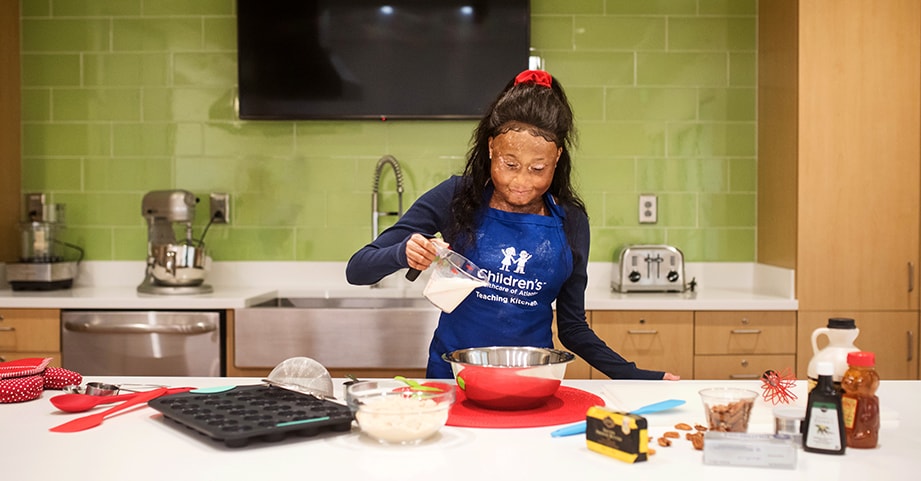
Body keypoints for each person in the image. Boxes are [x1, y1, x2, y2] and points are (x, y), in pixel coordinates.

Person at [346, 69, 680, 381]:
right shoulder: (457, 196)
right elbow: (358, 270)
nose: (521, 182)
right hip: (454, 380)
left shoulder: (571, 220)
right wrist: (402, 253)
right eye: (510, 164)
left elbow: (573, 328)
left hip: (531, 381)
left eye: (538, 169)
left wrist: (640, 378)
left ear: (557, 158)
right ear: (492, 147)